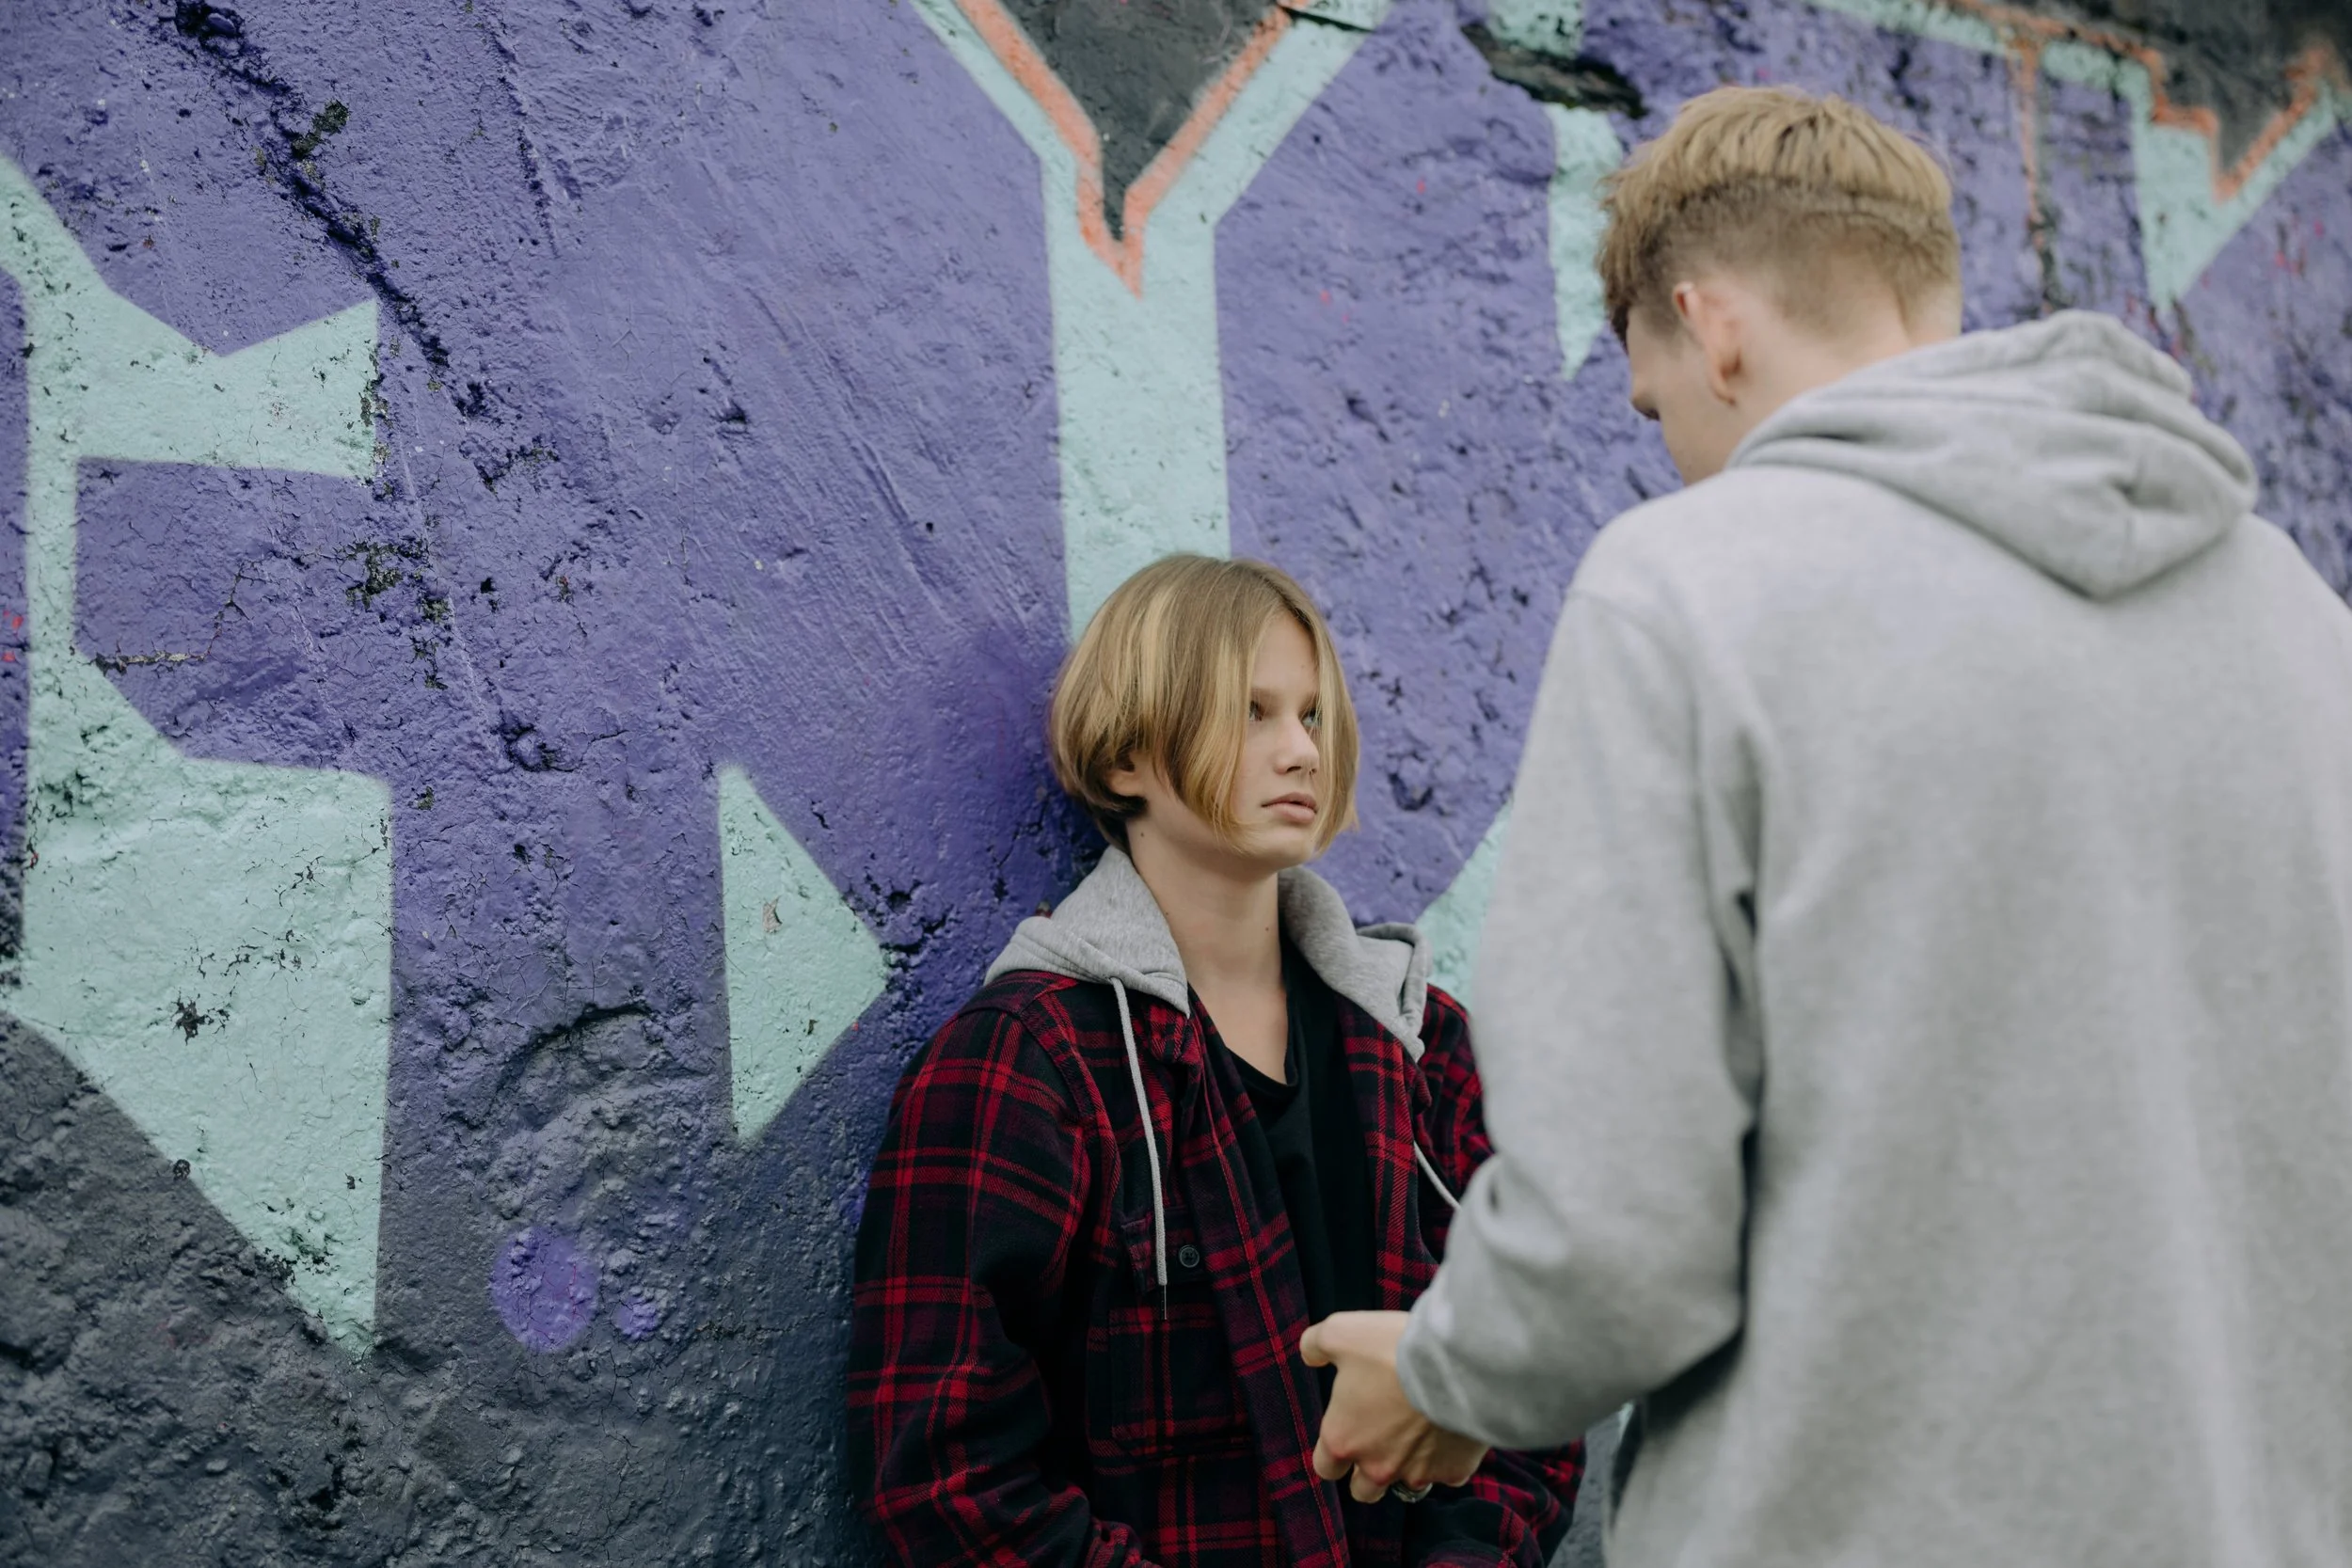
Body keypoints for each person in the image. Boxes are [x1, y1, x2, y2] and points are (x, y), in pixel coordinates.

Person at [1305, 84, 2352, 1565]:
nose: (1663, 447)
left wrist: (1448, 1371)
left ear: (1710, 322)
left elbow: (1616, 1239)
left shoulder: (1689, 588)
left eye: (1657, 403)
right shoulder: (2301, 621)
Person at [848, 555, 1581, 1568]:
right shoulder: (1027, 1063)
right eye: (1252, 712)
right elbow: (946, 1476)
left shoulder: (1420, 1045)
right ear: (1125, 761)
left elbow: (1527, 1376)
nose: (1299, 751)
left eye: (1313, 715)